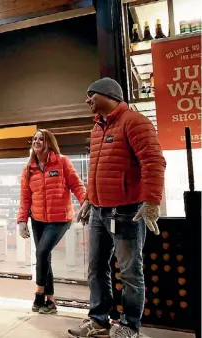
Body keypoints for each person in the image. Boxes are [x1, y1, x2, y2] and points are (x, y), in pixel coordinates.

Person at [68, 78, 166, 338]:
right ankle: (99, 321)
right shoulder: (97, 129)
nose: (87, 100)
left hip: (127, 211)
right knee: (96, 268)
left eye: (90, 95)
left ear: (107, 94)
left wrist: (152, 201)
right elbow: (97, 169)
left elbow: (154, 161)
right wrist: (89, 198)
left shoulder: (135, 121)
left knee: (130, 272)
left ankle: (130, 326)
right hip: (100, 212)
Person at [17, 129, 86, 315]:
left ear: (49, 143)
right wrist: (22, 220)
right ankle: (51, 301)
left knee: (42, 251)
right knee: (43, 256)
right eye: (35, 139)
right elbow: (25, 197)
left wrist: (85, 203)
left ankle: (39, 293)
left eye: (41, 139)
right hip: (38, 219)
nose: (37, 141)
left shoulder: (62, 162)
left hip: (60, 218)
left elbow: (77, 185)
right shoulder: (29, 169)